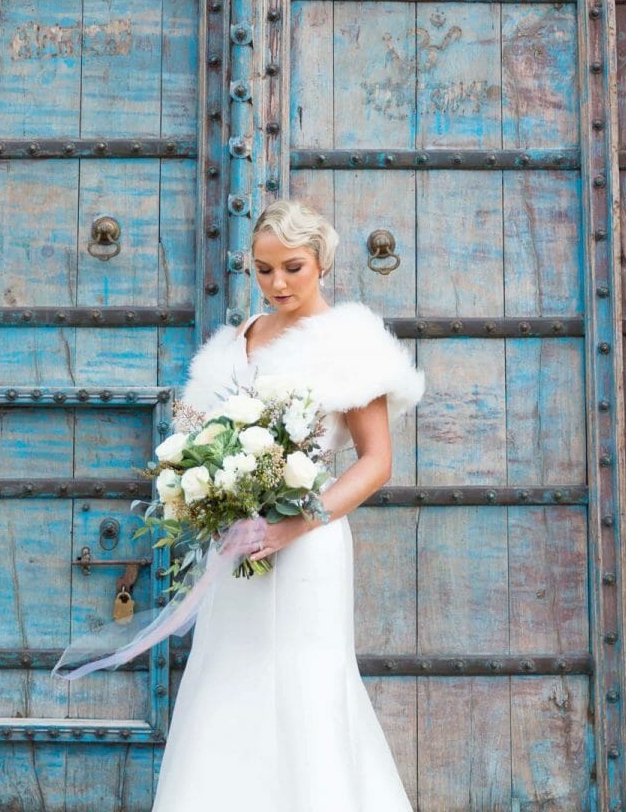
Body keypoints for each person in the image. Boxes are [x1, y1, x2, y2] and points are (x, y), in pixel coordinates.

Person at [150, 198, 424, 811]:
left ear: (321, 262)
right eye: (264, 269)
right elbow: (201, 436)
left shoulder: (350, 342)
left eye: (292, 268)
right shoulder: (238, 340)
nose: (277, 283)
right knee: (227, 676)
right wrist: (209, 493)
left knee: (307, 684)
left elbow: (376, 463)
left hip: (309, 545)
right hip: (239, 542)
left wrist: (294, 526)